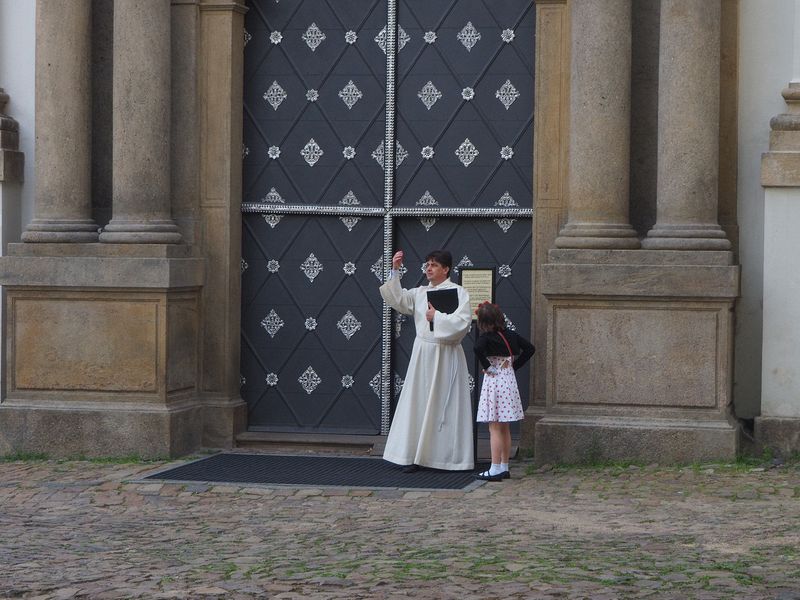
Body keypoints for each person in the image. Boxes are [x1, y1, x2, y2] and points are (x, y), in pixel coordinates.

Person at [379, 249, 474, 471]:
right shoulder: (420, 293)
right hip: (423, 354)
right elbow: (398, 299)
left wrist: (437, 317)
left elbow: (463, 323)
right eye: (427, 264)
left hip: (447, 355)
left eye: (433, 265)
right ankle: (414, 456)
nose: (428, 268)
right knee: (419, 403)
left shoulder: (459, 293)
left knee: (445, 405)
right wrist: (395, 270)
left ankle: (446, 458)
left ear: (446, 269)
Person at [473, 301, 535, 481]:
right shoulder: (511, 335)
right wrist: (515, 365)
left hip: (494, 382)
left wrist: (487, 366)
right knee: (505, 427)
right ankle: (504, 466)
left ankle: (494, 468)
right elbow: (530, 349)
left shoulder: (487, 337)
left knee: (494, 427)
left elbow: (477, 348)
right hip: (509, 379)